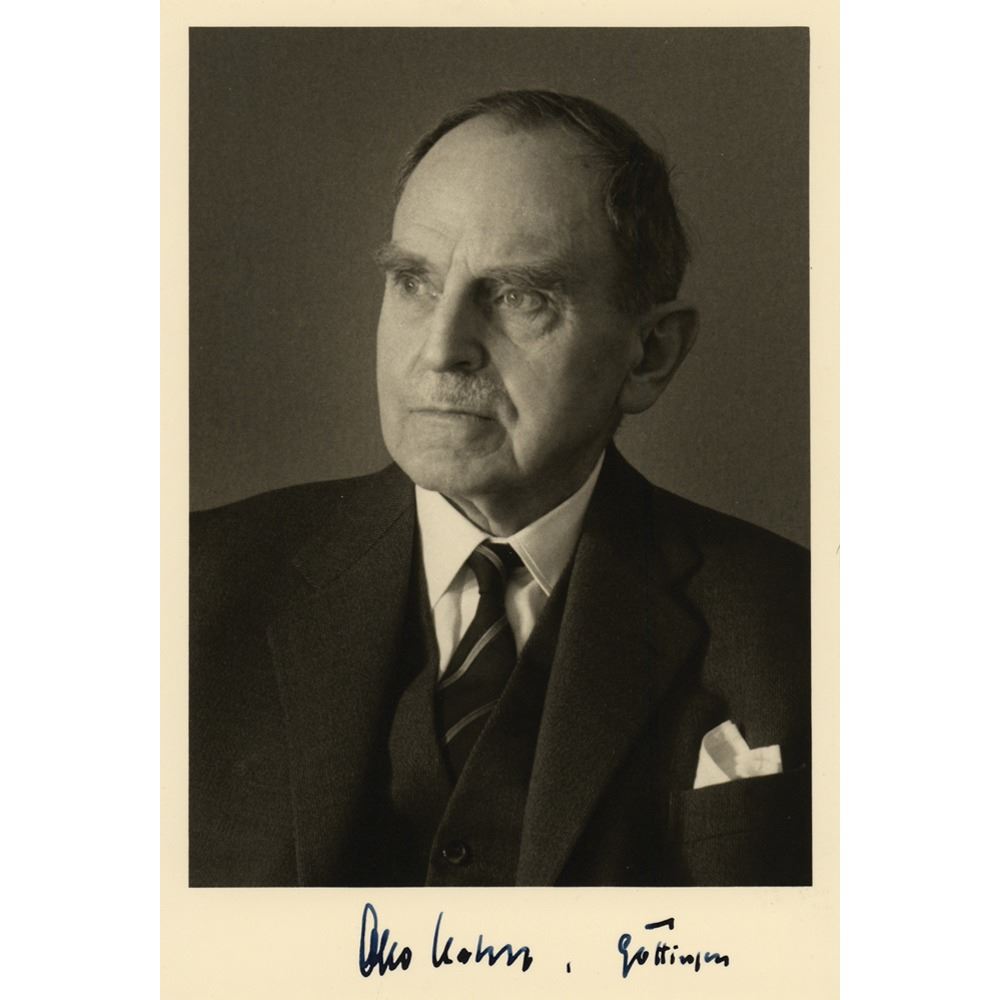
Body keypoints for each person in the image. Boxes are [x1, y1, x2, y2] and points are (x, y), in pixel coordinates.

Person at [189, 89, 810, 887]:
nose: (441, 348)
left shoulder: (803, 629)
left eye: (520, 297)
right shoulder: (188, 590)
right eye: (413, 282)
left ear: (650, 355)